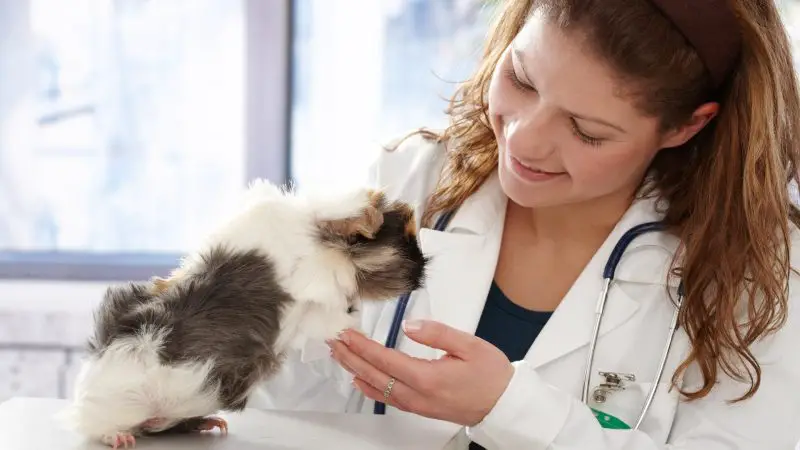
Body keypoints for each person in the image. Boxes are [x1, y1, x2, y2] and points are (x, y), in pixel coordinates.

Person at [250, 0, 800, 448]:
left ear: (685, 126)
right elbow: (284, 391)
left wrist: (511, 409)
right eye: (522, 80)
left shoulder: (760, 268)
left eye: (587, 130)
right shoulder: (411, 181)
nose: (523, 140)